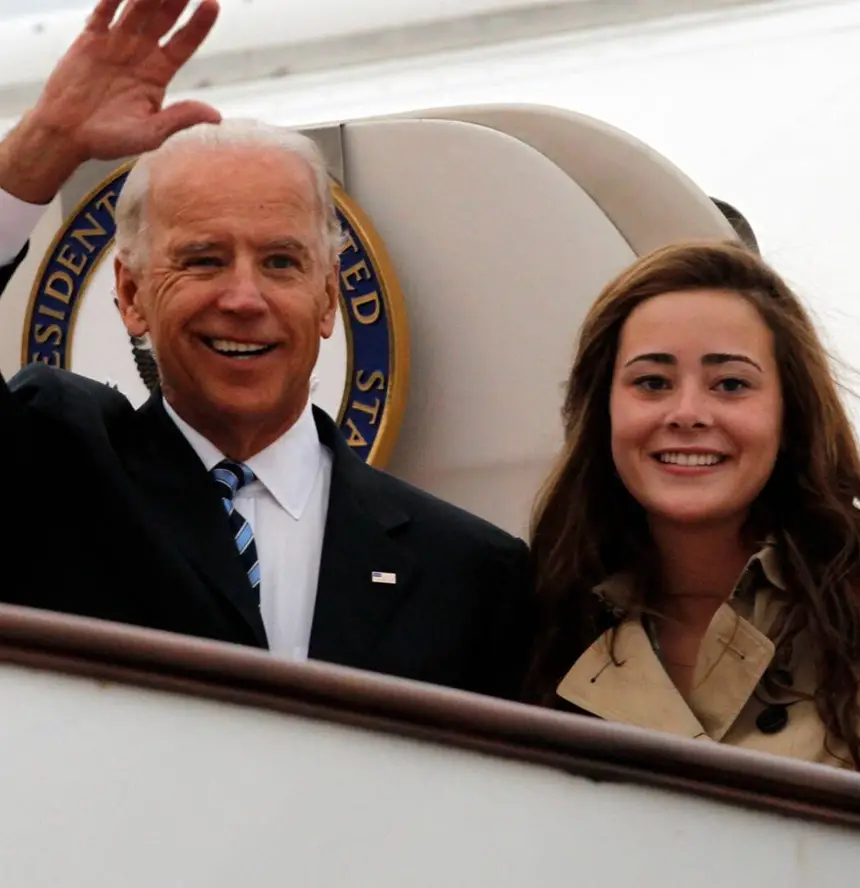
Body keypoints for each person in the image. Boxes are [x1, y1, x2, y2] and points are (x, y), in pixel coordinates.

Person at [0, 0, 531, 700]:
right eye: (204, 260)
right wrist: (37, 149)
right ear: (130, 296)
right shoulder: (52, 468)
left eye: (281, 262)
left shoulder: (470, 570)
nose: (244, 298)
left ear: (327, 299)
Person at [524, 240, 860, 774]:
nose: (688, 412)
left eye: (731, 384)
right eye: (652, 383)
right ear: (602, 411)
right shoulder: (536, 619)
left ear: (791, 414)